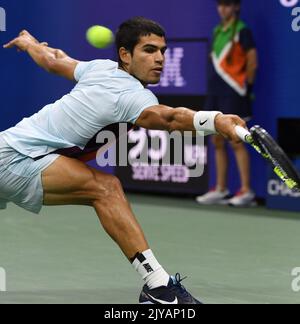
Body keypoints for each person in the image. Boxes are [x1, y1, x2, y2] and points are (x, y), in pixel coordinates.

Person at [1, 17, 246, 304]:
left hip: (11, 150)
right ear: (125, 55)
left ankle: (158, 287)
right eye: (149, 50)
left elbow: (55, 59)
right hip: (16, 159)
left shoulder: (99, 68)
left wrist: (29, 44)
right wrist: (216, 120)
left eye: (163, 51)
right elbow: (169, 119)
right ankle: (159, 288)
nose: (159, 59)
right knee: (105, 189)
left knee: (105, 188)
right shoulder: (129, 95)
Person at [196, 0, 258, 207]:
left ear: (236, 7)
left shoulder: (242, 31)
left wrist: (246, 88)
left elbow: (252, 60)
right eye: (220, 5)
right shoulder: (216, 31)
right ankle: (221, 189)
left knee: (236, 141)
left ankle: (246, 190)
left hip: (234, 93)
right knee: (216, 141)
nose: (223, 9)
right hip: (215, 94)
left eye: (228, 5)